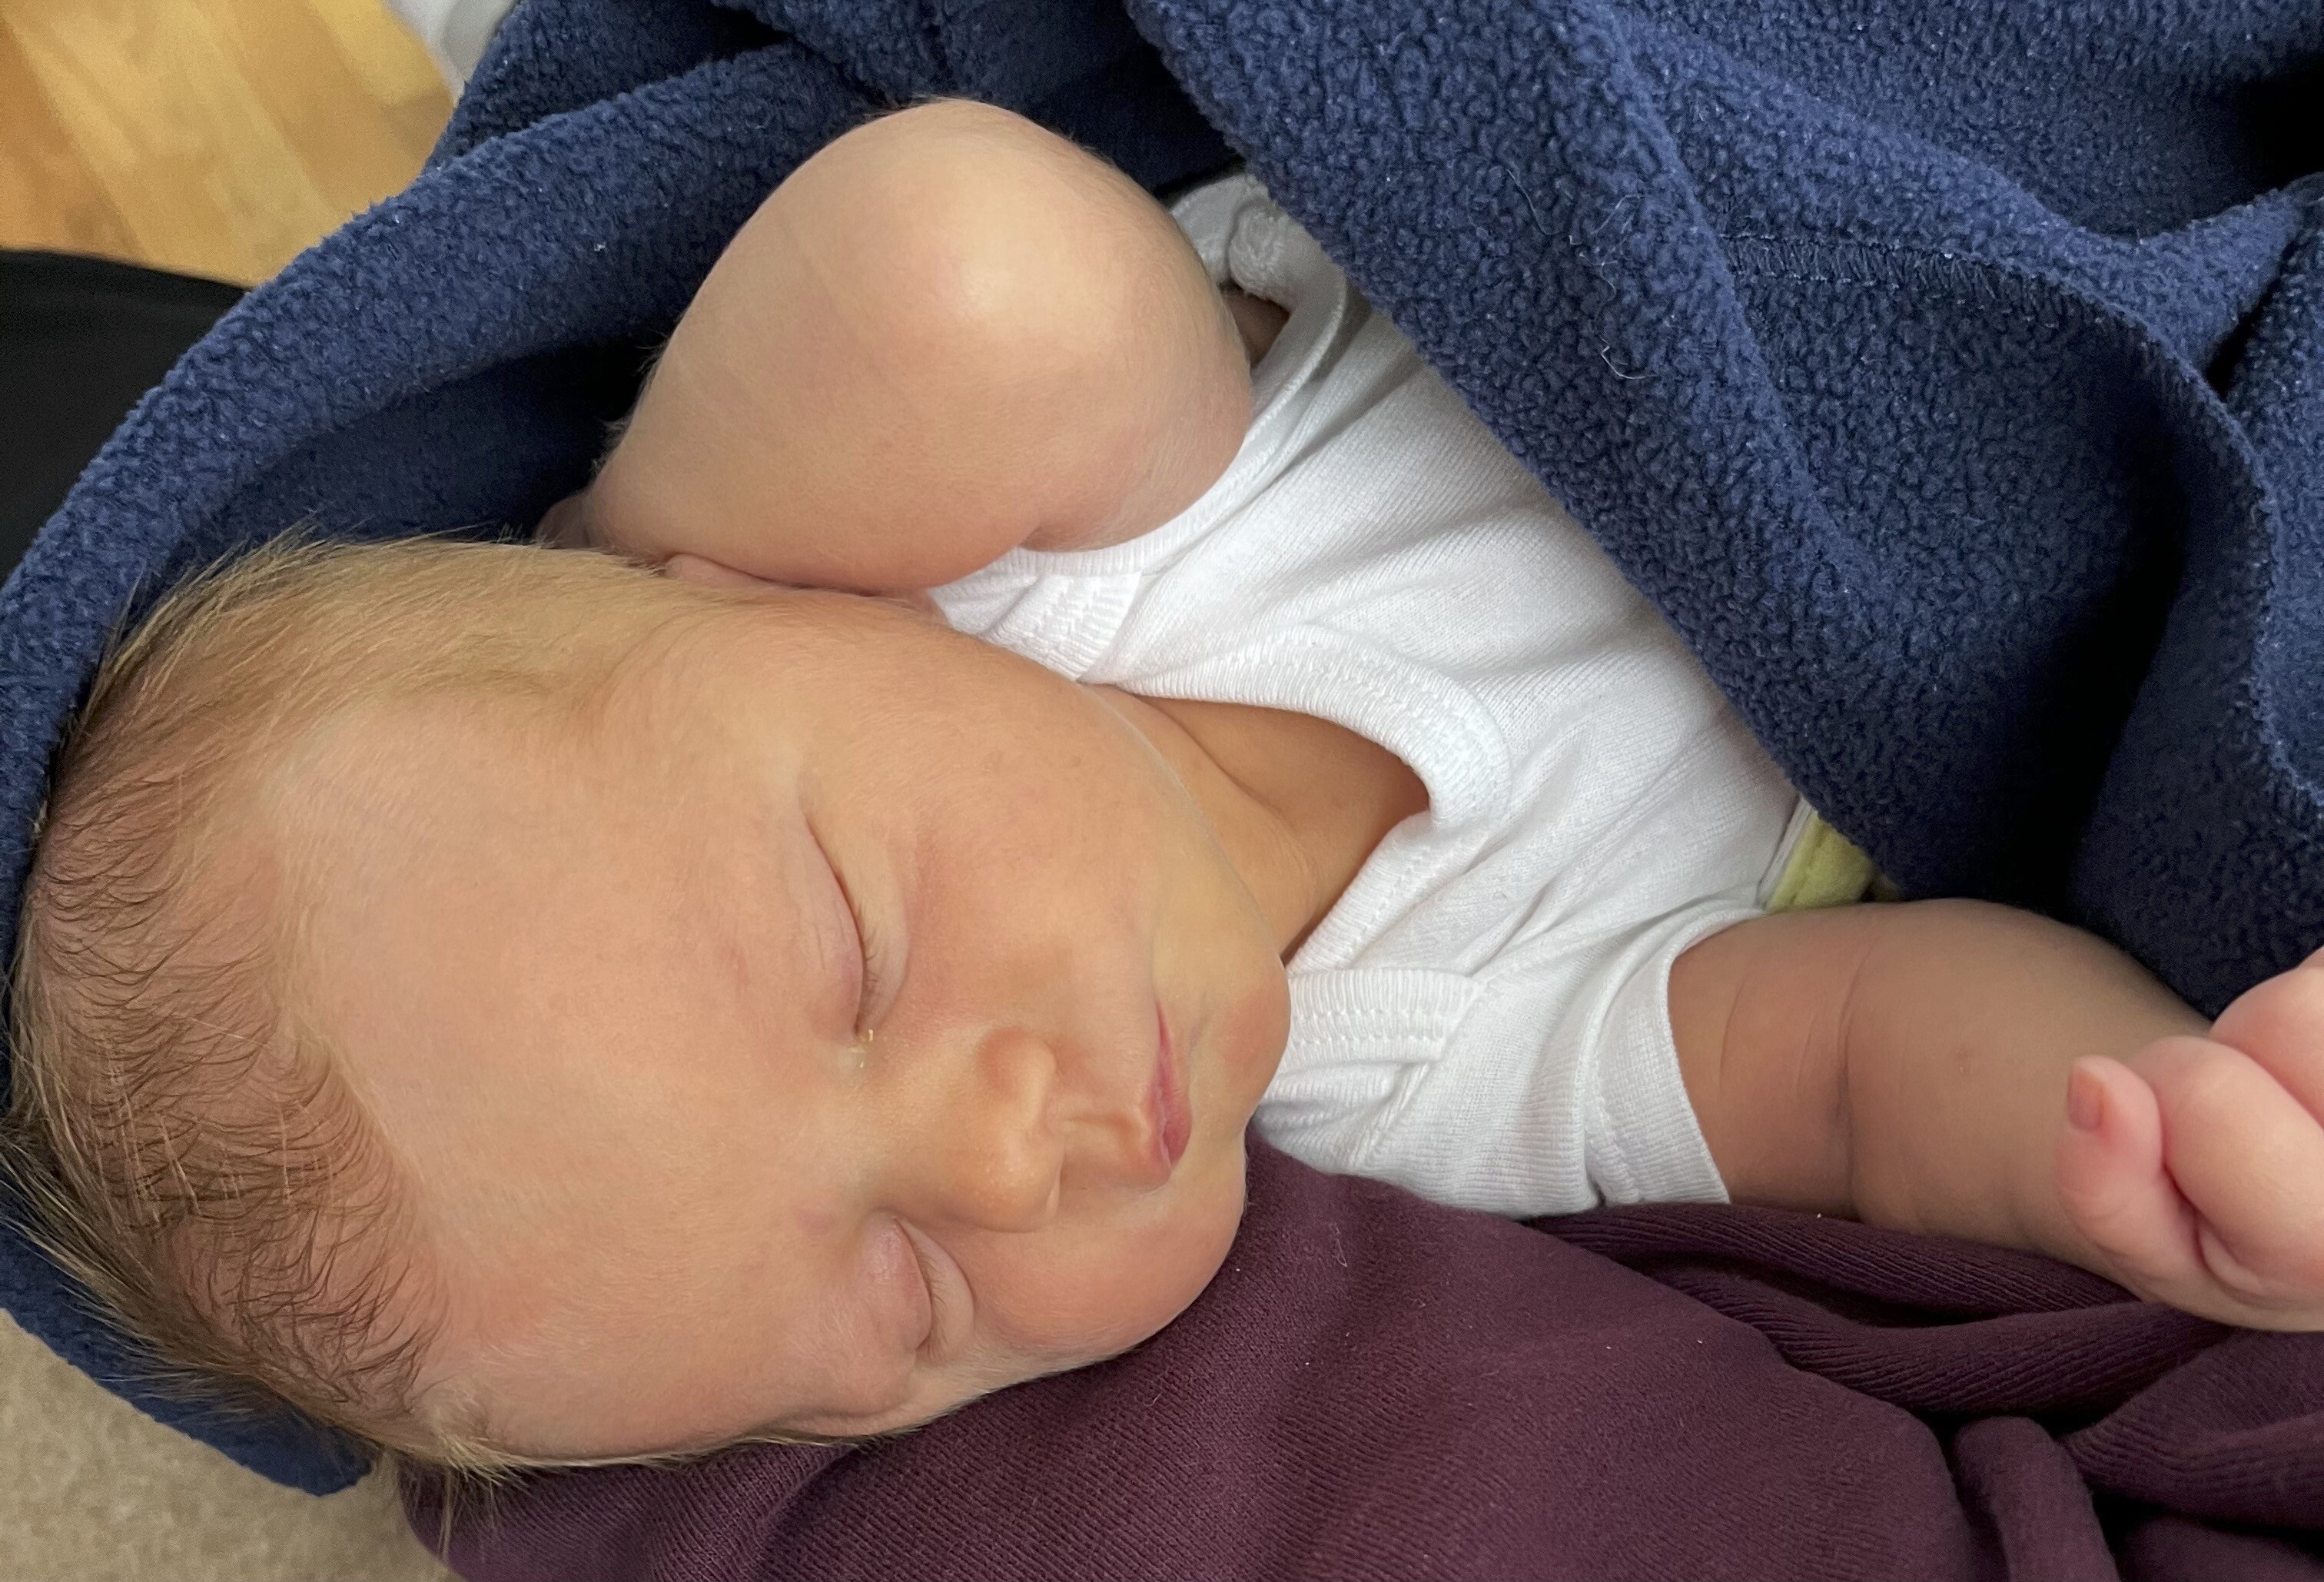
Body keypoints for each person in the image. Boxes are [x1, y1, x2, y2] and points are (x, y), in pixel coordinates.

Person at [6, 99, 2319, 1474]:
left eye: (855, 947)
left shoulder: (1080, 555)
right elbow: (1838, 1065)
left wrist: (657, 552)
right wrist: (2125, 1133)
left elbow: (962, 258)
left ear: (767, 599)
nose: (1004, 1151)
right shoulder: (1398, 1094)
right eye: (906, 1296)